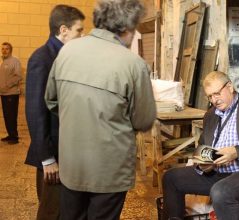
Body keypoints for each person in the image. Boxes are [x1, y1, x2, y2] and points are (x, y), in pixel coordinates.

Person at [44, 0, 156, 219]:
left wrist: (79, 119)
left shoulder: (67, 51)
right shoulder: (134, 64)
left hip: (72, 164)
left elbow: (51, 100)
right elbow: (143, 120)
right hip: (110, 170)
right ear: (127, 28)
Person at [162, 71, 239, 220]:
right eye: (210, 96)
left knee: (221, 192)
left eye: (217, 93)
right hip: (217, 172)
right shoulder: (211, 115)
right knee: (171, 177)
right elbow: (202, 147)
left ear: (230, 87)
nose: (214, 100)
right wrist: (202, 164)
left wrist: (237, 152)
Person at [24, 5, 85, 220]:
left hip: (69, 150)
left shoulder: (67, 55)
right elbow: (35, 112)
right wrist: (47, 158)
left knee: (67, 209)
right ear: (64, 30)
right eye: (79, 30)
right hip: (53, 152)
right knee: (52, 210)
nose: (82, 35)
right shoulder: (42, 58)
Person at [0, 42, 22, 144]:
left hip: (11, 94)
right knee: (7, 116)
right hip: (4, 93)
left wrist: (7, 85)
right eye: (3, 49)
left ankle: (14, 137)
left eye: (7, 49)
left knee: (11, 115)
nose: (4, 50)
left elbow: (18, 76)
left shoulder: (15, 61)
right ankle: (10, 135)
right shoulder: (3, 62)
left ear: (11, 50)